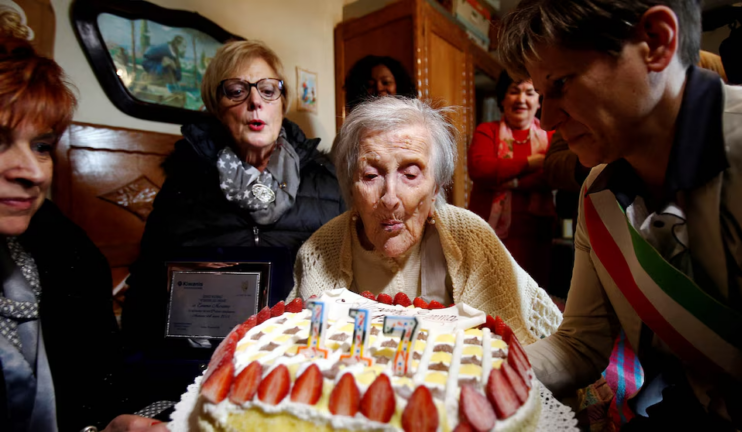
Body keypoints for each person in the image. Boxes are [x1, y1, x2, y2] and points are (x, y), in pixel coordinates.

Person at [499, 0, 742, 429]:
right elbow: (580, 346)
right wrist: (477, 371)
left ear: (656, 42)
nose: (547, 119)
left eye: (560, 84)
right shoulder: (598, 192)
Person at [122, 39, 344, 401]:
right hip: (204, 373)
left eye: (268, 90)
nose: (256, 102)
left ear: (282, 103)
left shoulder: (329, 183)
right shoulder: (184, 187)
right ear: (216, 107)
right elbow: (146, 294)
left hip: (300, 369)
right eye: (237, 91)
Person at [289, 96, 562, 344]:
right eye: (371, 176)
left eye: (410, 174)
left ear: (435, 190)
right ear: (350, 188)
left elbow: (522, 339)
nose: (390, 198)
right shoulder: (320, 249)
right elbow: (301, 347)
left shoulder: (469, 236)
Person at [0, 37, 165, 432]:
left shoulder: (68, 253)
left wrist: (104, 426)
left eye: (41, 146)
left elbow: (92, 395)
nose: (33, 171)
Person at [467, 71, 556, 288]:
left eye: (530, 93)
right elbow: (480, 170)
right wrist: (531, 162)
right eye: (514, 92)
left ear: (539, 100)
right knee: (489, 293)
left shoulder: (552, 136)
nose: (521, 99)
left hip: (536, 235)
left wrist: (509, 179)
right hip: (489, 232)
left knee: (534, 298)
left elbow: (552, 176)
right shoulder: (487, 131)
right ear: (503, 99)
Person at [344, 55, 417, 114]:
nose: (379, 88)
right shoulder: (356, 123)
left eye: (386, 82)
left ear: (400, 85)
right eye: (370, 85)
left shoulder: (413, 119)